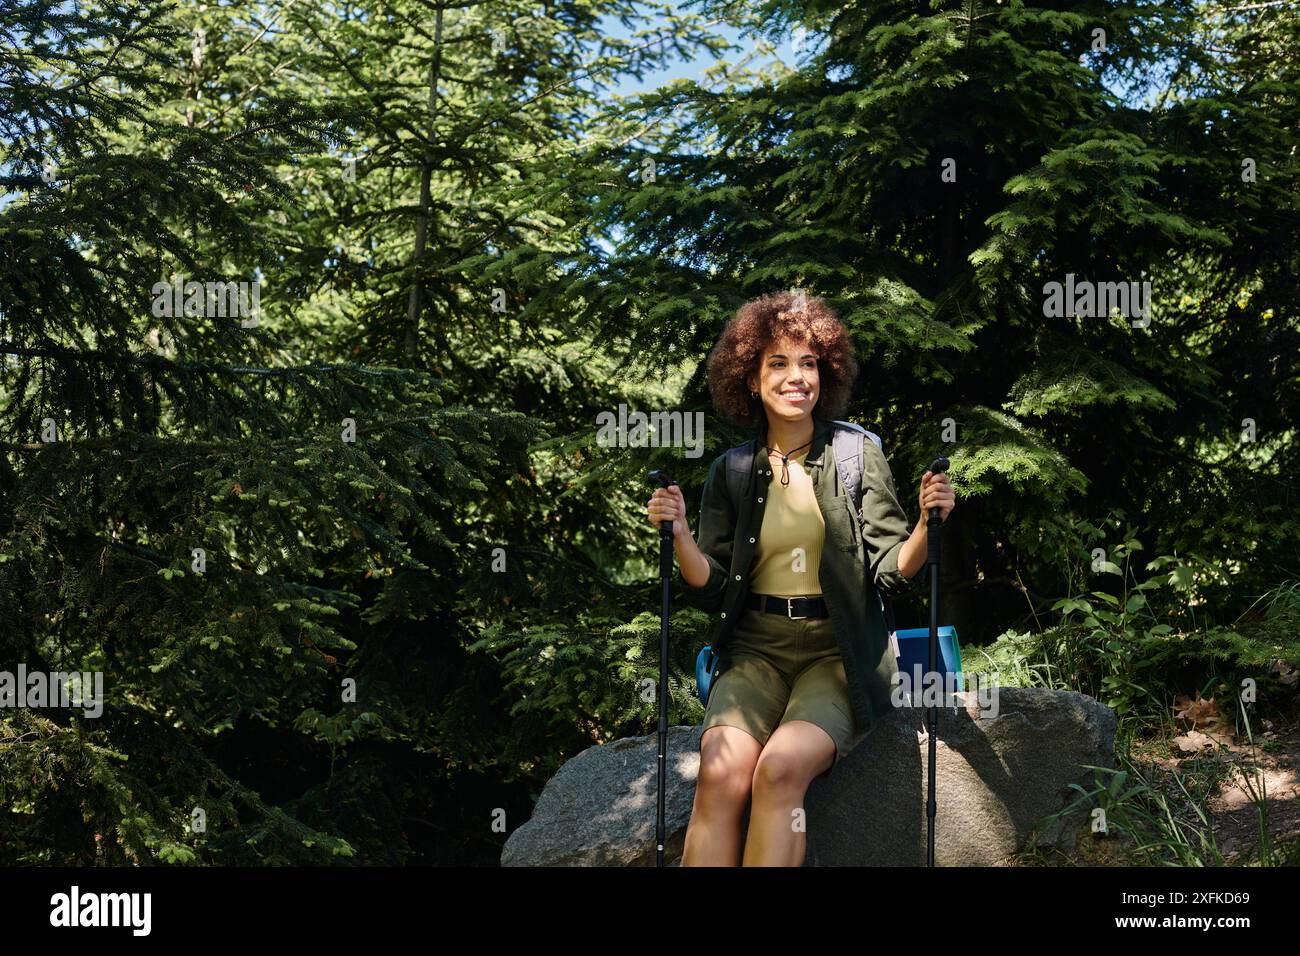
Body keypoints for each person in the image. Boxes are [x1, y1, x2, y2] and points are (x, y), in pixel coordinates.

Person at [646, 290, 955, 866]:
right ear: (750, 379)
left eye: (808, 363)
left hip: (837, 654)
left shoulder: (856, 455)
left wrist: (925, 524)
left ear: (826, 372)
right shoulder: (733, 470)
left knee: (780, 770)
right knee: (719, 774)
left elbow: (892, 573)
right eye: (779, 364)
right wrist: (681, 532)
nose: (797, 377)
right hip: (754, 651)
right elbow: (708, 584)